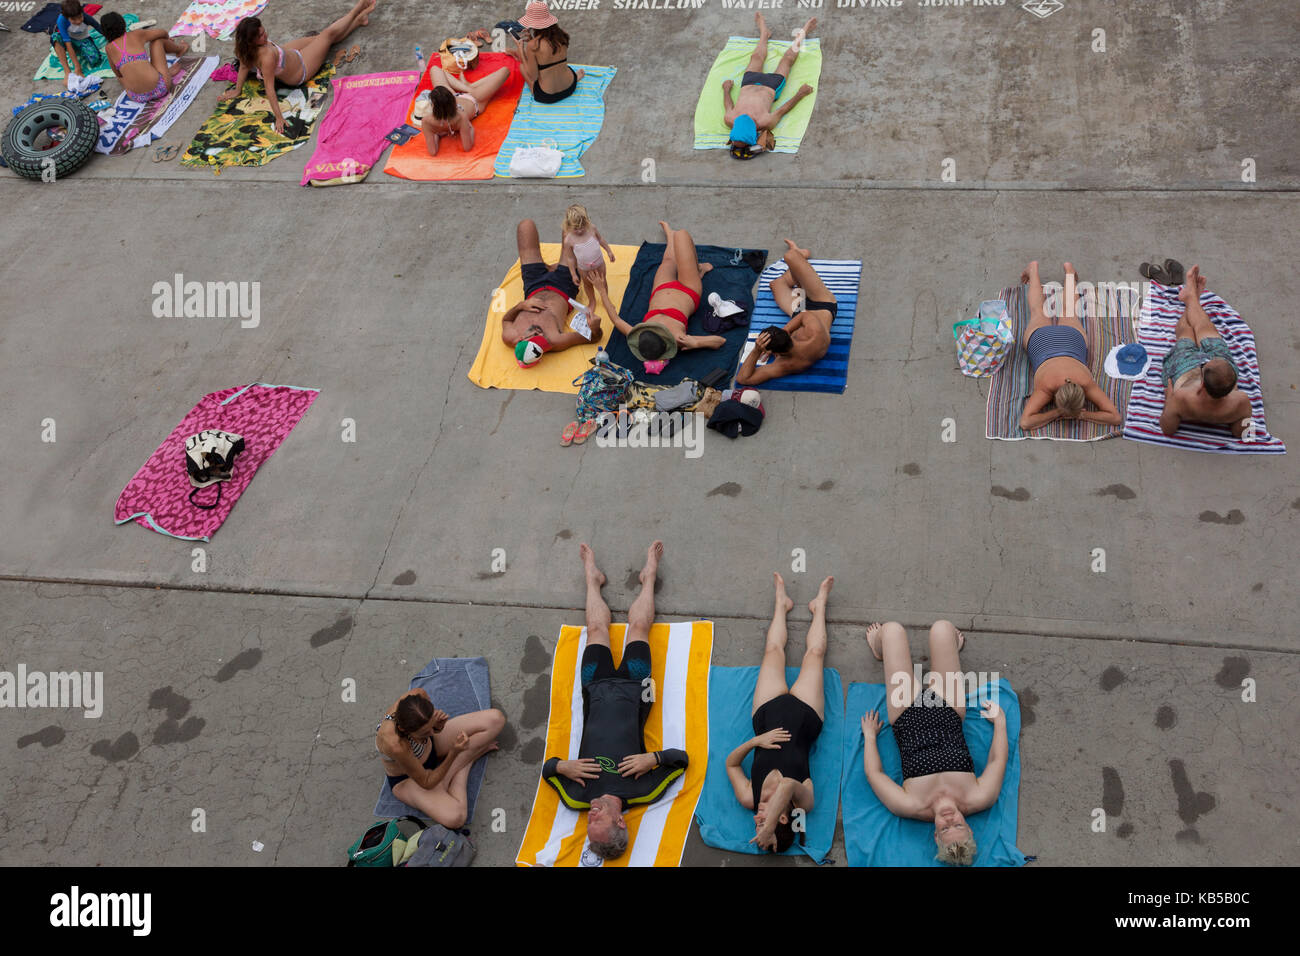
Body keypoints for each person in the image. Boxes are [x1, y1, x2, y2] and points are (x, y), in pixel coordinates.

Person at [540, 542, 689, 861]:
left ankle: (592, 578)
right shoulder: (644, 791)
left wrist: (563, 765)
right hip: (637, 689)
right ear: (620, 821)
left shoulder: (578, 797)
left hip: (594, 688)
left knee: (596, 629)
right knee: (638, 628)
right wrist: (655, 759)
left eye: (588, 823)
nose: (590, 816)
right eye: (598, 822)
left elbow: (548, 770)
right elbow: (683, 759)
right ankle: (649, 577)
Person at [860, 621, 1008, 866]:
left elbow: (874, 774)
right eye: (958, 825)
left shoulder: (910, 806)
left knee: (892, 630)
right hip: (948, 708)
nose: (949, 819)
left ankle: (879, 648)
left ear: (936, 834)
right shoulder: (979, 797)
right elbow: (997, 760)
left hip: (905, 710)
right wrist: (1000, 723)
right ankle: (950, 651)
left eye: (946, 829)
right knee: (942, 628)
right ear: (969, 829)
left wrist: (870, 737)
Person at [727, 572, 832, 853]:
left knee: (773, 650)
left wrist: (754, 742)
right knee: (815, 653)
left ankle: (781, 604)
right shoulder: (803, 802)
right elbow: (786, 784)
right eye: (762, 822)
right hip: (806, 717)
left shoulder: (750, 797)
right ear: (782, 818)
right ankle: (819, 605)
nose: (757, 817)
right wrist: (769, 826)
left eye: (757, 823)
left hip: (766, 715)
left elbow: (731, 765)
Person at [590, 221, 724, 376]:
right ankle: (698, 268)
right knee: (681, 235)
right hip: (688, 290)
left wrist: (601, 290)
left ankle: (670, 236)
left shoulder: (638, 335)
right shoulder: (678, 339)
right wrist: (696, 342)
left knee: (668, 261)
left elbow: (615, 319)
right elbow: (719, 341)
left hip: (662, 288)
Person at [226, 1, 375, 134]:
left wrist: (237, 90)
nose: (265, 36)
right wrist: (279, 118)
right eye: (260, 36)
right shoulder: (266, 58)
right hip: (301, 68)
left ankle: (358, 21)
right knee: (327, 35)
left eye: (263, 32)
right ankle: (358, 9)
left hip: (290, 54)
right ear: (251, 42)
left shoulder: (245, 47)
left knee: (322, 39)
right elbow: (269, 90)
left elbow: (244, 66)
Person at [375, 688, 505, 829]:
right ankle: (465, 764)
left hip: (432, 748)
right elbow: (426, 782)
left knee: (495, 719)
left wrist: (438, 727)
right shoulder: (396, 745)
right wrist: (453, 753)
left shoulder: (418, 695)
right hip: (408, 779)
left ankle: (457, 766)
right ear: (404, 730)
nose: (432, 732)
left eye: (431, 727)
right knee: (456, 818)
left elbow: (432, 730)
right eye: (425, 732)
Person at [1018, 260, 1123, 430]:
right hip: (1044, 343)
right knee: (1044, 310)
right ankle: (1047, 271)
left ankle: (1061, 272)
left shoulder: (1081, 382)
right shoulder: (1058, 385)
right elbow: (1114, 417)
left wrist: (1060, 412)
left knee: (1059, 310)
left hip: (1066, 341)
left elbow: (1026, 422)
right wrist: (1077, 414)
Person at [1158, 264, 1253, 437]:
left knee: (1186, 332)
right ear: (1234, 384)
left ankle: (1191, 300)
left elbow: (1167, 430)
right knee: (1206, 331)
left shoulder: (1181, 398)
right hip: (1218, 381)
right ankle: (1193, 299)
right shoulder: (1241, 401)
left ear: (1202, 383)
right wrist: (1233, 416)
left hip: (1185, 372)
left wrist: (1169, 399)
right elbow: (1242, 433)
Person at [500, 219, 603, 368]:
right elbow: (593, 338)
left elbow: (506, 321)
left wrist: (520, 306)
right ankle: (554, 267)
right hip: (564, 286)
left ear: (521, 339)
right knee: (572, 225)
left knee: (525, 226)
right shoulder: (555, 341)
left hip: (533, 285)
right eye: (542, 340)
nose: (540, 335)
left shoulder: (510, 336)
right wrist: (595, 328)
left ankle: (548, 268)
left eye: (535, 336)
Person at [737, 239, 834, 385]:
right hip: (823, 303)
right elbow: (804, 315)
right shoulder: (813, 334)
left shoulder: (785, 365)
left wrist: (757, 351)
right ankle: (799, 259)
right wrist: (778, 336)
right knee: (788, 263)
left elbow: (743, 378)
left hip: (803, 309)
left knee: (780, 276)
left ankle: (799, 263)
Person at [723, 13, 816, 160]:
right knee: (788, 59)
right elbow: (784, 108)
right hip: (772, 86)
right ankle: (802, 34)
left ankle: (764, 34)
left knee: (756, 57)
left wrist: (726, 90)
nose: (745, 117)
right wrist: (800, 94)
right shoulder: (765, 122)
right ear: (754, 131)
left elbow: (728, 105)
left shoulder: (730, 119)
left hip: (749, 82)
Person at [420, 63, 512, 156]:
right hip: (475, 99)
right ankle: (468, 87)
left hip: (450, 99)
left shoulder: (426, 121)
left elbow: (432, 151)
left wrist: (436, 134)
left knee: (435, 69)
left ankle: (466, 86)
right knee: (505, 71)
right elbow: (467, 147)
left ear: (433, 105)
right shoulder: (460, 116)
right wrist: (470, 127)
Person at [100, 12, 189, 105]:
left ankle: (153, 78)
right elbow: (162, 32)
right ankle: (180, 49)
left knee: (124, 74)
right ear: (123, 23)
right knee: (157, 41)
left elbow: (118, 74)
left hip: (136, 96)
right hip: (161, 88)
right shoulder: (136, 34)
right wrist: (167, 39)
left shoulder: (109, 48)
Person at [512, 1, 584, 105]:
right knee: (559, 66)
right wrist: (533, 39)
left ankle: (534, 92)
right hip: (570, 87)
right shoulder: (563, 35)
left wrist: (521, 49)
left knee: (523, 67)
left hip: (547, 96)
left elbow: (533, 76)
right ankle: (575, 77)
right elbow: (548, 54)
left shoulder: (533, 45)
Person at [560, 203, 615, 286]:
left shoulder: (592, 228)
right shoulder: (568, 240)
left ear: (587, 221)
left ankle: (604, 296)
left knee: (603, 281)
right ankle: (592, 299)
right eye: (576, 228)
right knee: (587, 285)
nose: (580, 231)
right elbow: (570, 258)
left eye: (582, 226)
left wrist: (609, 251)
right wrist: (573, 274)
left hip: (599, 264)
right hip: (583, 268)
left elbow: (600, 239)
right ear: (569, 225)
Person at [49, 1, 103, 80]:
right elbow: (68, 45)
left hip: (82, 39)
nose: (78, 21)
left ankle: (80, 50)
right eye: (74, 19)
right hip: (68, 41)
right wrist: (77, 68)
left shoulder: (86, 17)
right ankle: (67, 71)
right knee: (54, 37)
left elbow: (99, 28)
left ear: (82, 12)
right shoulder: (61, 20)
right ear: (67, 17)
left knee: (95, 60)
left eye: (80, 17)